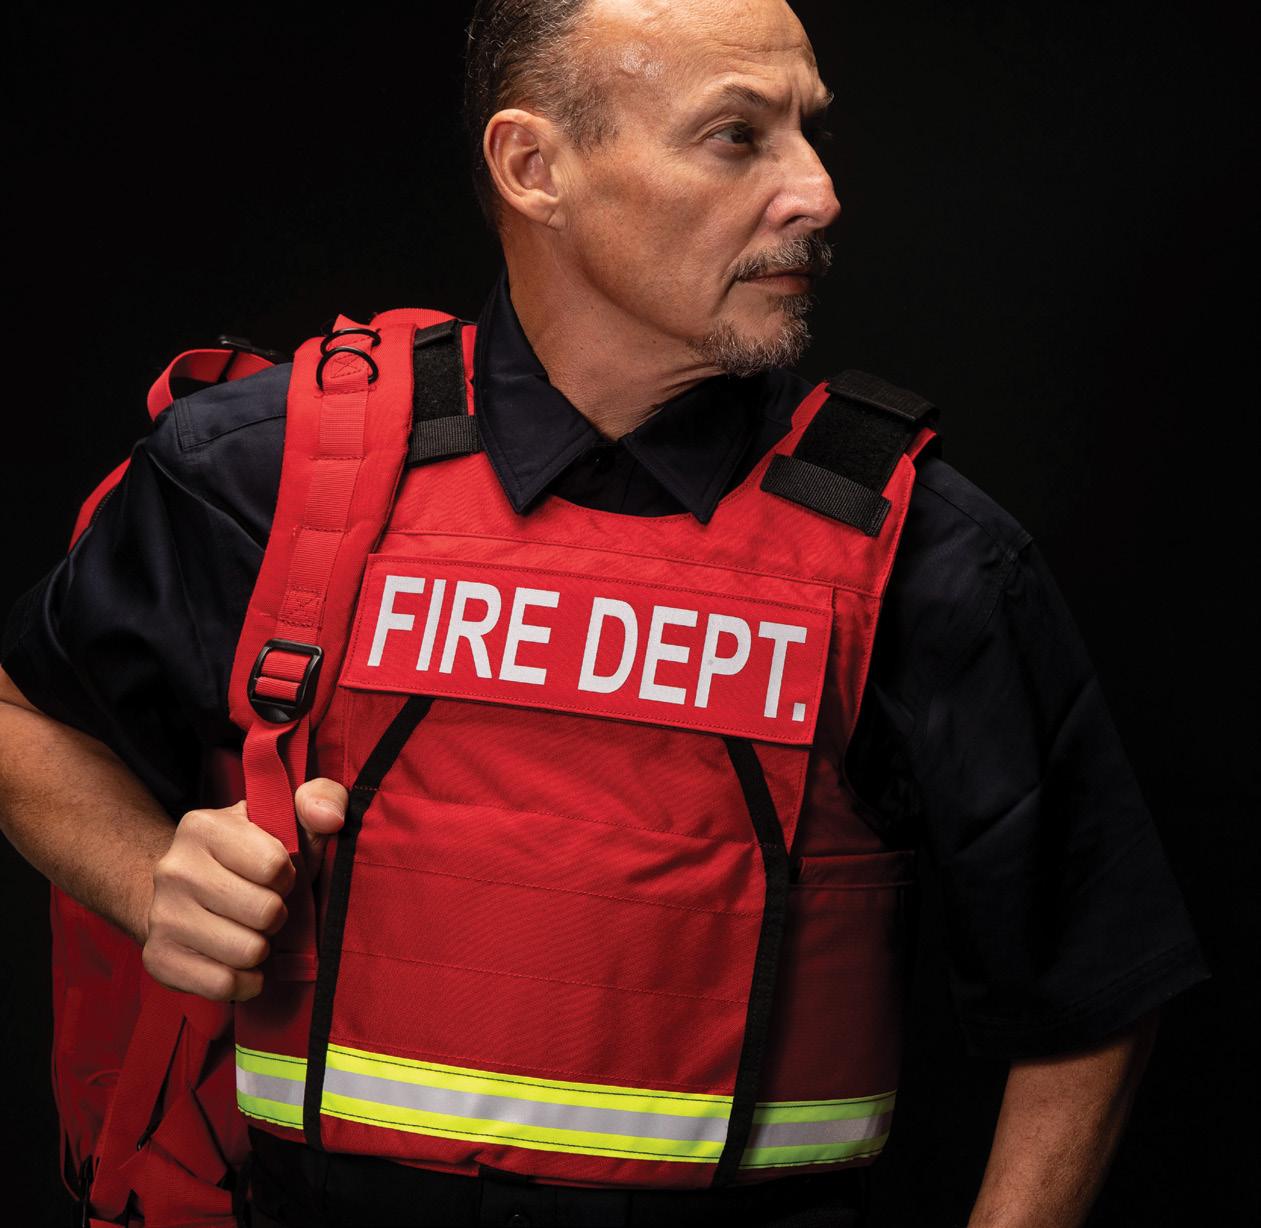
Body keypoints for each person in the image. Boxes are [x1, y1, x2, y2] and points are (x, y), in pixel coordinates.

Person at [0, 1, 1209, 1225]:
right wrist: (151, 881)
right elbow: (20, 718)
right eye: (737, 136)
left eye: (811, 130)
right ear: (535, 167)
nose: (819, 191)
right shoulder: (268, 475)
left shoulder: (921, 555)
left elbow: (1094, 992)